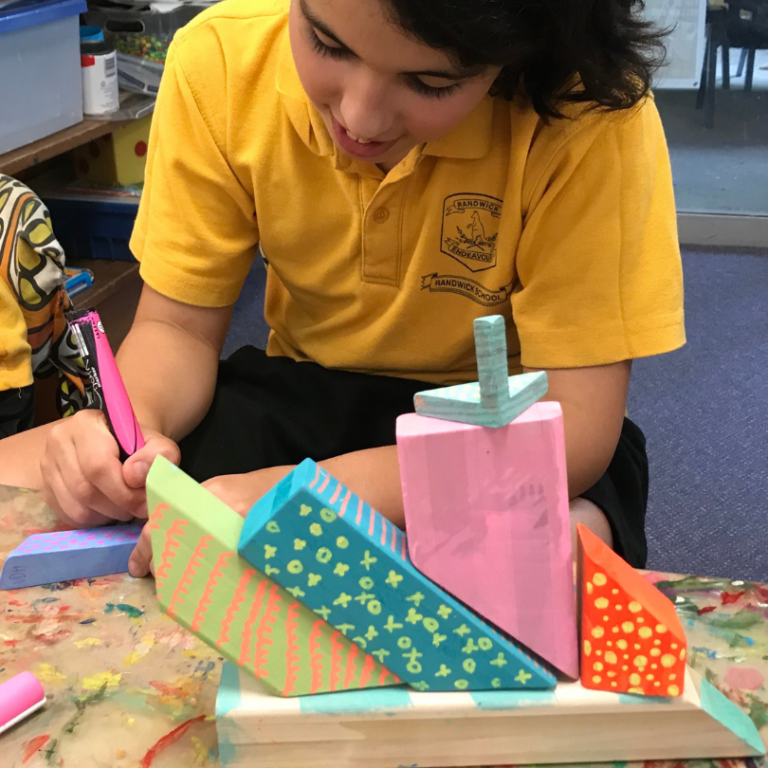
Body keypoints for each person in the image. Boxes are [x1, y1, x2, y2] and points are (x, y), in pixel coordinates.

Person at [0, 0, 685, 577]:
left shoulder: (589, 114)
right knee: (74, 492)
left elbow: (577, 432)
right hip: (303, 396)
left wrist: (317, 495)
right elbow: (176, 329)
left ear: (515, 58)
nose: (360, 118)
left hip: (502, 429)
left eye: (430, 82)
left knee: (553, 553)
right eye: (328, 44)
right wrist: (133, 430)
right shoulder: (221, 61)